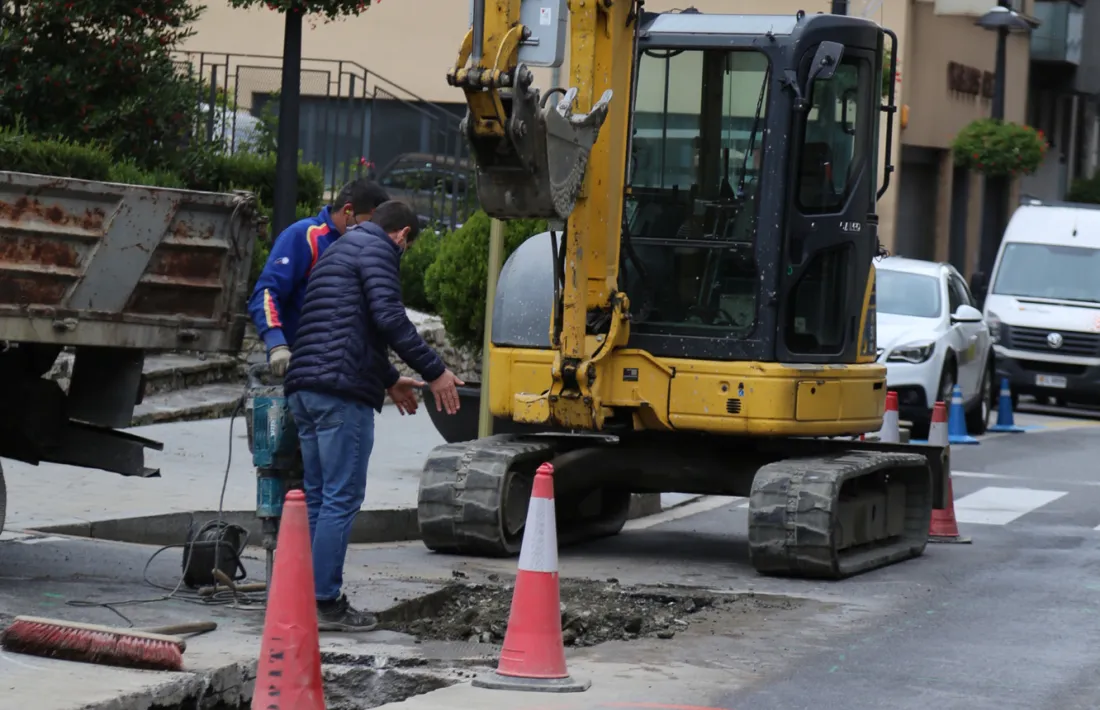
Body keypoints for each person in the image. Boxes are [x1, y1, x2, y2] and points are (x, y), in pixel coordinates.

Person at [283, 200, 464, 631]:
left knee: (319, 496)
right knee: (341, 498)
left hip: (305, 390)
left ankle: (305, 596)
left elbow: (347, 326)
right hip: (341, 396)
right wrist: (436, 371)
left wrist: (389, 379)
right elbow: (389, 319)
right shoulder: (380, 251)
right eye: (407, 244)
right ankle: (325, 602)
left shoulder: (339, 250)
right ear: (402, 235)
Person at [247, 178, 390, 376]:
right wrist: (277, 345)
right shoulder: (305, 236)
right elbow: (267, 292)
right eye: (370, 222)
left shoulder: (366, 250)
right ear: (348, 211)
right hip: (295, 366)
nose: (374, 231)